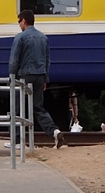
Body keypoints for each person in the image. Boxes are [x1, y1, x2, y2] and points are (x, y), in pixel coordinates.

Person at [6, 9, 65, 149]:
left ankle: (17, 141)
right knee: (37, 107)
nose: (19, 24)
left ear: (24, 21)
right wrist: (45, 78)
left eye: (19, 21)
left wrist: (12, 77)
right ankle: (55, 131)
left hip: (23, 76)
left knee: (17, 108)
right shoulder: (43, 38)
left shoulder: (20, 37)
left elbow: (14, 60)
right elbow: (47, 60)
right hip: (39, 76)